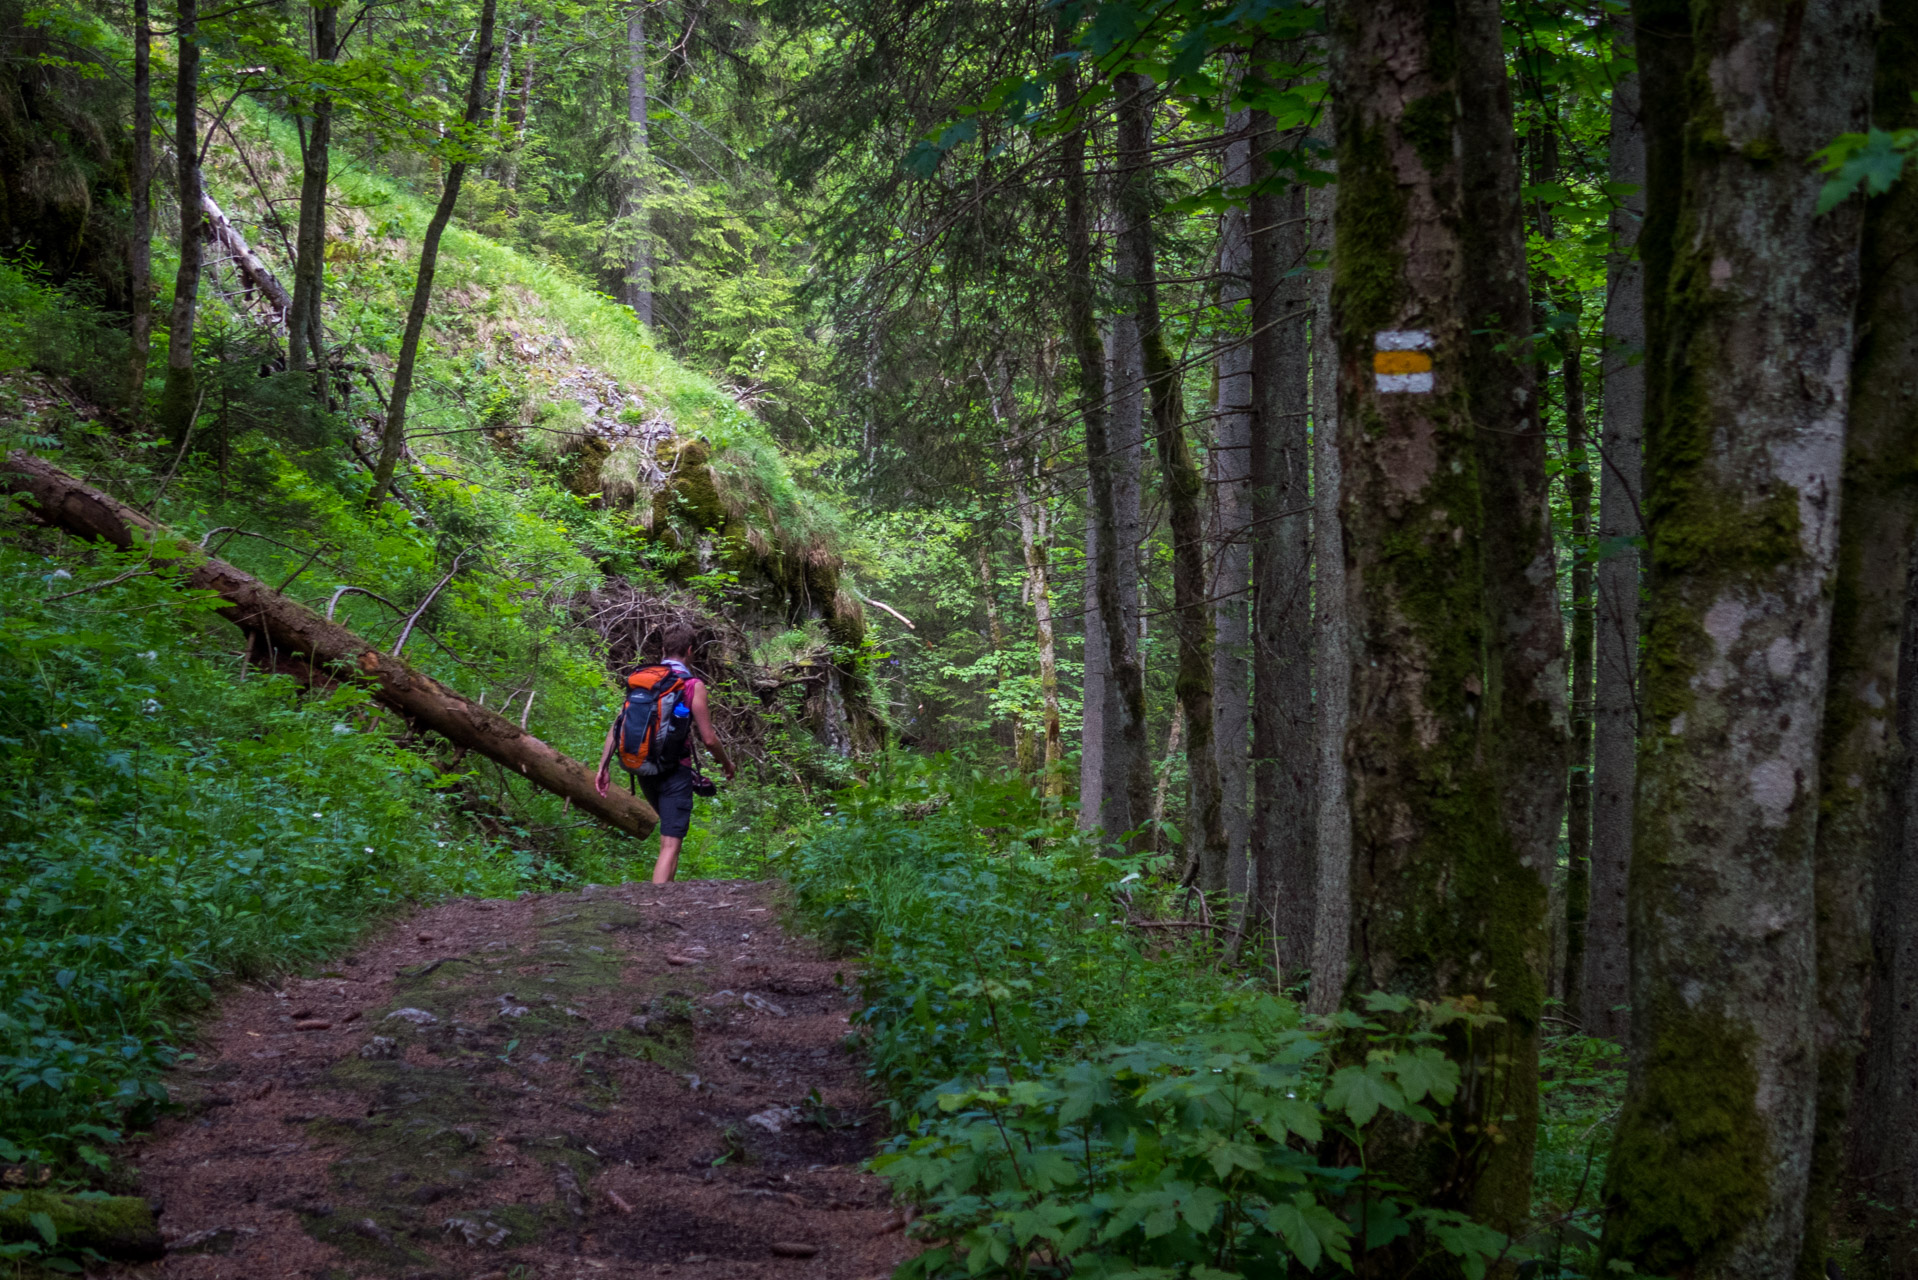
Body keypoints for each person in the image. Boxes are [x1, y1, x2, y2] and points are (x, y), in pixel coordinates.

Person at [594, 623, 735, 883]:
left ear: (663, 649)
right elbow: (709, 738)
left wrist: (603, 767)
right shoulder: (692, 685)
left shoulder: (645, 679)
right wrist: (726, 764)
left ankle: (666, 900)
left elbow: (618, 725)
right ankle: (656, 908)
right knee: (670, 845)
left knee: (672, 837)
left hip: (643, 768)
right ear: (691, 650)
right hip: (674, 771)